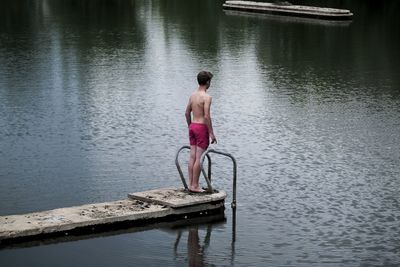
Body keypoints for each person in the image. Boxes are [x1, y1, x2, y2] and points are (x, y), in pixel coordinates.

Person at [185, 70, 217, 193]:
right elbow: (207, 116)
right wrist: (211, 133)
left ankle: (190, 184)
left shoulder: (192, 95)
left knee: (192, 156)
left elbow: (187, 112)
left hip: (193, 126)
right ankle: (195, 185)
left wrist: (190, 126)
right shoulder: (207, 97)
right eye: (210, 81)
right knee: (199, 158)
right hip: (201, 128)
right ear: (207, 82)